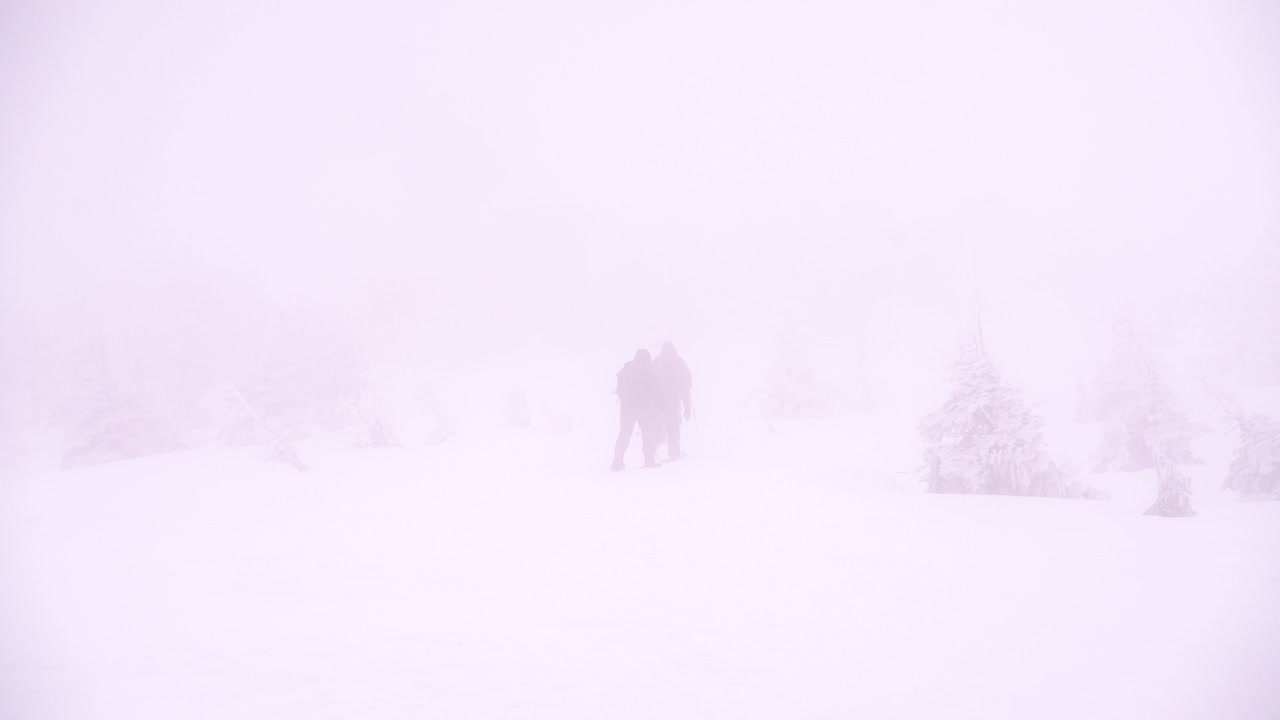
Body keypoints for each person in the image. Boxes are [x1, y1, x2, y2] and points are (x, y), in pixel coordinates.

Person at [612, 349, 660, 470]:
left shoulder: (627, 368)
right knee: (647, 433)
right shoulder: (648, 371)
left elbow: (620, 387)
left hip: (627, 408)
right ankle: (649, 460)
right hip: (643, 407)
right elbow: (655, 388)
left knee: (624, 434)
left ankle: (617, 461)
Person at [652, 341, 692, 461]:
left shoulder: (656, 361)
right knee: (673, 426)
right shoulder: (678, 362)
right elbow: (685, 383)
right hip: (673, 399)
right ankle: (674, 453)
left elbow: (649, 380)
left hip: (657, 400)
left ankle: (652, 452)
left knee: (656, 425)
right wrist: (687, 404)